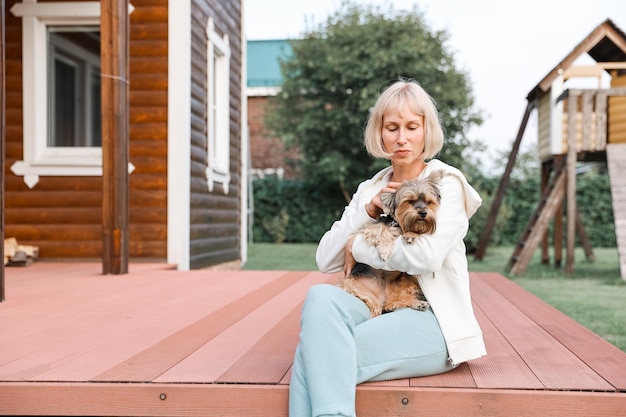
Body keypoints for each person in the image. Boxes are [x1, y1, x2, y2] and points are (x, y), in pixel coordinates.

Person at [288, 78, 487, 417]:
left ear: (427, 131)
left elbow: (425, 257)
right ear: (380, 133)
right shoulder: (371, 187)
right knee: (319, 297)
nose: (401, 137)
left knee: (315, 358)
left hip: (431, 320)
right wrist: (367, 212)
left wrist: (358, 245)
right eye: (392, 127)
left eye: (412, 126)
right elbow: (325, 259)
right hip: (376, 303)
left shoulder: (445, 183)